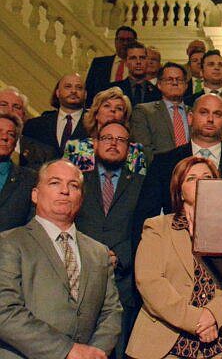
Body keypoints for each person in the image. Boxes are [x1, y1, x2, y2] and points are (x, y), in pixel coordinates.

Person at [127, 156, 222, 359]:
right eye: (191, 178)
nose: (200, 182)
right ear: (179, 190)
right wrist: (197, 320)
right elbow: (150, 282)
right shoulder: (157, 227)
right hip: (166, 341)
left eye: (207, 177)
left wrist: (214, 315)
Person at [0, 159, 122, 359]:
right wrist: (67, 351)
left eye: (73, 185)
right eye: (55, 182)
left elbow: (111, 311)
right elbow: (4, 311)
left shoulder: (98, 252)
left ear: (81, 198)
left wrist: (94, 353)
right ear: (35, 195)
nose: (64, 190)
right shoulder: (9, 243)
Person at [76, 121, 144, 359]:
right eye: (107, 138)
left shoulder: (140, 183)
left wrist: (120, 257)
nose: (113, 144)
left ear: (129, 148)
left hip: (123, 280)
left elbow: (142, 228)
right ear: (95, 144)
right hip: (79, 276)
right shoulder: (77, 180)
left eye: (121, 140)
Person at [135, 94, 222, 232]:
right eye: (204, 112)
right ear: (190, 118)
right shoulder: (164, 162)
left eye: (217, 114)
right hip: (173, 245)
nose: (210, 119)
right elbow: (145, 217)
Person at [63, 87, 147, 175]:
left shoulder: (134, 151)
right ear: (96, 114)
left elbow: (137, 184)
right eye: (107, 105)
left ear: (124, 118)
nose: (113, 110)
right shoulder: (76, 147)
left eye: (119, 108)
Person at [131, 62, 190, 163]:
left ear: (186, 85)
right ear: (159, 84)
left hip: (193, 171)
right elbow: (144, 150)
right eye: (169, 79)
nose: (175, 83)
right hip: (158, 173)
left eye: (179, 80)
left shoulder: (195, 112)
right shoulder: (144, 111)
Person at [23, 73, 88, 154]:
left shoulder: (95, 125)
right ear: (57, 92)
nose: (73, 91)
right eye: (68, 86)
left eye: (79, 88)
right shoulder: (34, 125)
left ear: (85, 94)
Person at [0, 87, 57, 170]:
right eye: (3, 105)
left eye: (16, 107)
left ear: (24, 115)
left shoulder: (45, 154)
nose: (9, 110)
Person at [0, 112, 36, 232]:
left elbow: (32, 225)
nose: (4, 137)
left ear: (15, 142)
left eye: (11, 134)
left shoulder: (30, 179)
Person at [85, 25, 137, 106]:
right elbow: (89, 90)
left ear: (135, 43)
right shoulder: (98, 63)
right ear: (116, 41)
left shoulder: (138, 65)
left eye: (129, 40)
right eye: (121, 39)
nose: (125, 43)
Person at [110, 41, 162, 107]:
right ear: (126, 62)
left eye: (142, 58)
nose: (138, 62)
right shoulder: (112, 90)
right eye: (133, 58)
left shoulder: (158, 93)